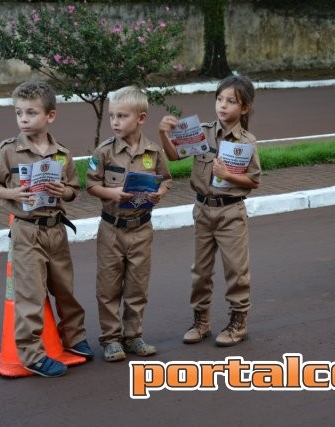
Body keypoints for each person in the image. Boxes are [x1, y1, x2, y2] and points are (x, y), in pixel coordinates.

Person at [0, 80, 93, 377]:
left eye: (31, 113)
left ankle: (73, 336)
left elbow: (74, 190)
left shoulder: (62, 154)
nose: (23, 119)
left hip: (56, 231)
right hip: (26, 231)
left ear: (50, 116)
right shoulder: (8, 150)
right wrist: (13, 194)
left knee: (65, 289)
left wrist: (63, 191)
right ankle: (32, 354)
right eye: (18, 113)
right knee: (30, 294)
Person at [158, 75, 261, 347]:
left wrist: (228, 175)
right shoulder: (201, 132)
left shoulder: (246, 141)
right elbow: (174, 156)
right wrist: (163, 135)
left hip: (231, 213)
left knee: (236, 271)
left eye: (231, 101)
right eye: (219, 99)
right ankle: (201, 321)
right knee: (200, 271)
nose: (223, 105)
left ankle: (238, 321)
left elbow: (253, 181)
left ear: (245, 108)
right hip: (203, 210)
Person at [86, 86, 172, 362]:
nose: (115, 122)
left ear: (141, 118)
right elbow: (90, 184)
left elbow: (166, 178)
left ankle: (133, 335)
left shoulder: (154, 151)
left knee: (137, 285)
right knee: (109, 286)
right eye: (112, 116)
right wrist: (112, 193)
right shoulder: (104, 152)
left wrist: (160, 193)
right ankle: (111, 339)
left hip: (141, 228)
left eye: (122, 116)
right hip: (111, 228)